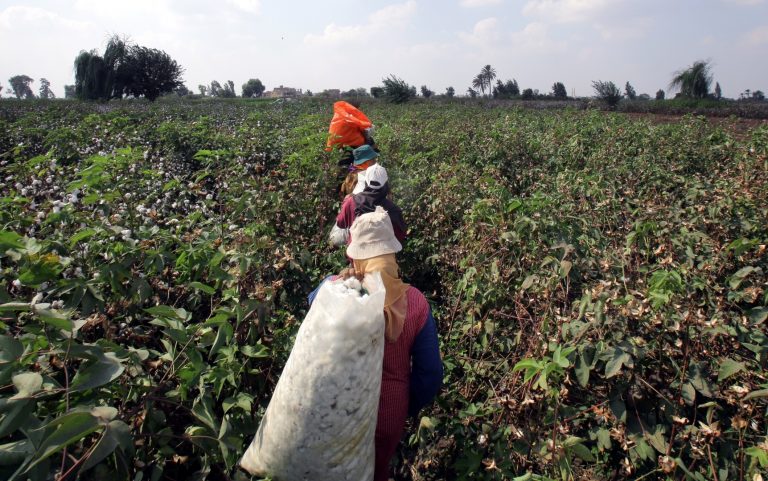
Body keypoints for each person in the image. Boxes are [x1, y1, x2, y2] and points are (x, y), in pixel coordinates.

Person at [309, 208, 442, 481]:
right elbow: (430, 375)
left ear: (354, 254)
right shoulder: (416, 303)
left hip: (340, 409)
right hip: (388, 414)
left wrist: (339, 282)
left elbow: (312, 303)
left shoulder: (336, 290)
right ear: (391, 254)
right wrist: (405, 404)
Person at [335, 151, 406, 246]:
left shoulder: (352, 202)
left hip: (357, 252)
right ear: (386, 184)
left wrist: (345, 203)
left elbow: (341, 223)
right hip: (384, 252)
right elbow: (400, 236)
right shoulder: (393, 209)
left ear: (367, 182)